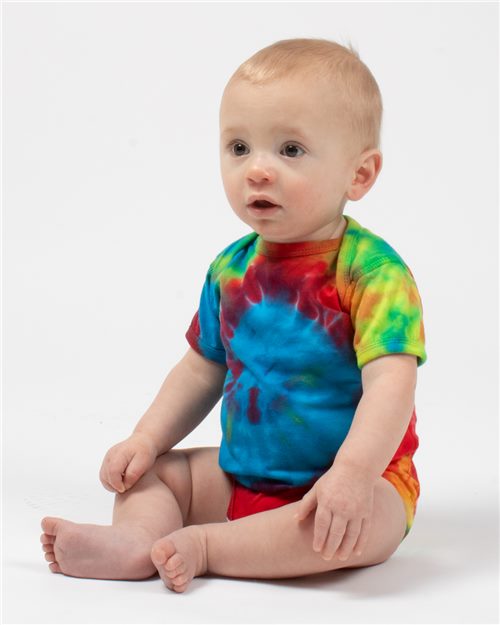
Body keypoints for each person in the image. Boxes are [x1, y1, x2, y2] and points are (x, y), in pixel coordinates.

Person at [40, 38, 427, 594]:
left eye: (290, 149)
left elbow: (392, 385)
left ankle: (206, 546)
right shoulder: (231, 270)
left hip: (352, 486)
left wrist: (352, 474)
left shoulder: (371, 273)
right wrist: (145, 439)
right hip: (243, 472)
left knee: (359, 528)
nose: (257, 170)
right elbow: (201, 369)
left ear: (359, 175)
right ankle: (137, 540)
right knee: (156, 473)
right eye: (239, 147)